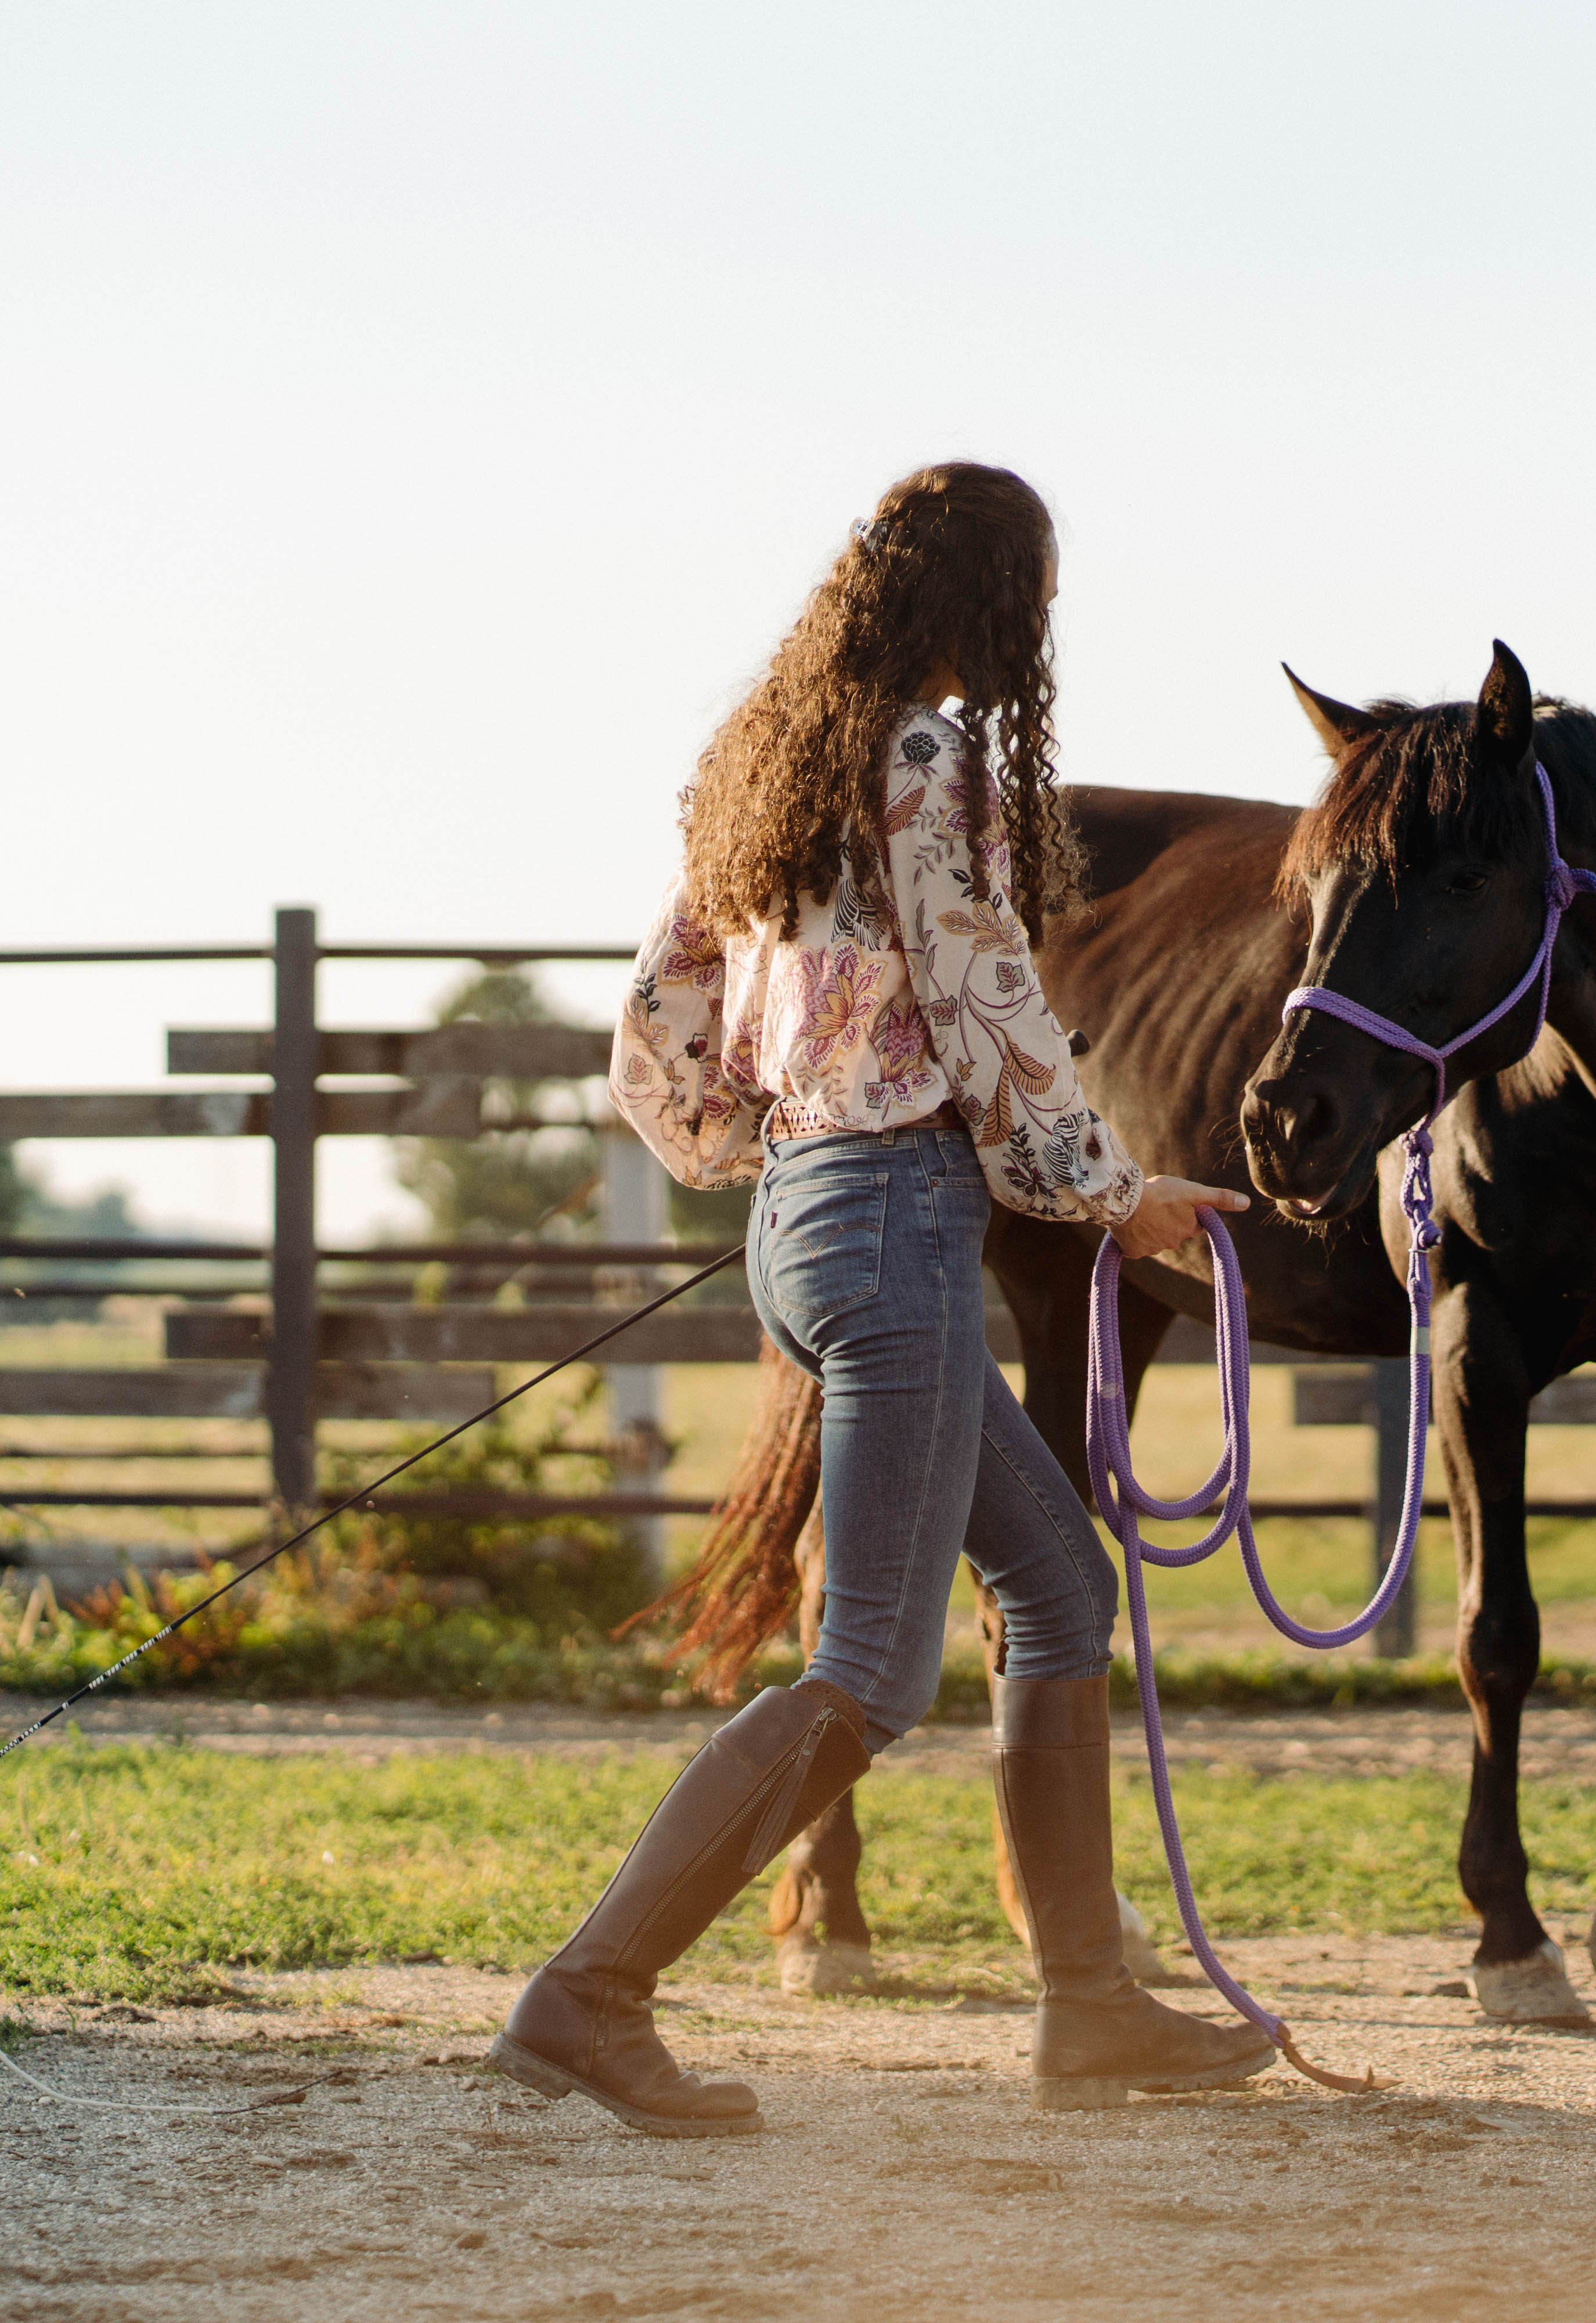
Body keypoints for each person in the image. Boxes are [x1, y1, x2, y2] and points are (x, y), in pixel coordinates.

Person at [489, 462, 1271, 2133]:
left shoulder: (761, 763)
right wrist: (1117, 1199)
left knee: (1060, 1587)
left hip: (812, 1208)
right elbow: (992, 1006)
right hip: (897, 1220)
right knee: (873, 1668)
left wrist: (759, 1139)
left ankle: (1091, 2010)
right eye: (1033, 597)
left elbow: (659, 1009)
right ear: (985, 598)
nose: (1038, 630)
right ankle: (589, 1994)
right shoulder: (926, 760)